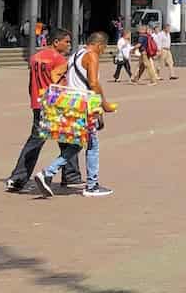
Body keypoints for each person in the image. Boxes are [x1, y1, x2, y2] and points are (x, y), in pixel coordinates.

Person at [35, 32, 117, 198]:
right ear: (100, 45)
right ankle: (91, 185)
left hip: (73, 103)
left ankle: (48, 173)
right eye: (103, 49)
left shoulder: (75, 55)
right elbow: (93, 83)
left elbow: (58, 75)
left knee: (79, 143)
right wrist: (104, 104)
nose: (102, 52)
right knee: (92, 145)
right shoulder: (91, 56)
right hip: (86, 104)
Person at [6, 29, 81, 193]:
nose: (69, 45)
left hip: (38, 103)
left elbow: (31, 83)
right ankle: (69, 176)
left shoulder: (35, 58)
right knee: (66, 138)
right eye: (66, 42)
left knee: (42, 140)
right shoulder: (60, 60)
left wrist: (33, 100)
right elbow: (61, 85)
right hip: (55, 103)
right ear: (56, 42)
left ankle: (71, 175)